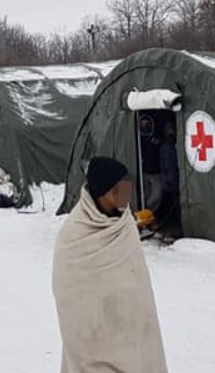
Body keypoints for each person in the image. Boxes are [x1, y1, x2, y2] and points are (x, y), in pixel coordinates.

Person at [52, 156, 168, 373]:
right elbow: (68, 295)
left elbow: (137, 280)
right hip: (92, 337)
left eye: (126, 188)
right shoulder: (74, 234)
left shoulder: (125, 223)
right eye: (117, 190)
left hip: (132, 330)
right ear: (100, 193)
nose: (125, 196)